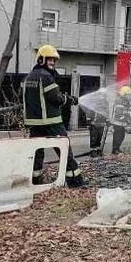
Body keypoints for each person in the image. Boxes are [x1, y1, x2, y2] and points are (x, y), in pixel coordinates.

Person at [22, 44, 86, 187]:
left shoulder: (28, 78)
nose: (52, 62)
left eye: (54, 60)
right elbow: (55, 98)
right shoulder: (45, 77)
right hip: (51, 122)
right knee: (64, 149)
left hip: (34, 124)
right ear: (41, 60)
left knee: (37, 153)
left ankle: (35, 180)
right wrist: (69, 99)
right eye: (50, 59)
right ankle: (75, 181)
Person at [111, 85, 131, 155]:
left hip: (121, 122)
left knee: (121, 136)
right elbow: (119, 113)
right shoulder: (119, 100)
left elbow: (128, 107)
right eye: (127, 95)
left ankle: (117, 148)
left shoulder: (125, 100)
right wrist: (126, 116)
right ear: (124, 94)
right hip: (118, 122)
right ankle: (115, 150)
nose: (128, 96)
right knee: (118, 136)